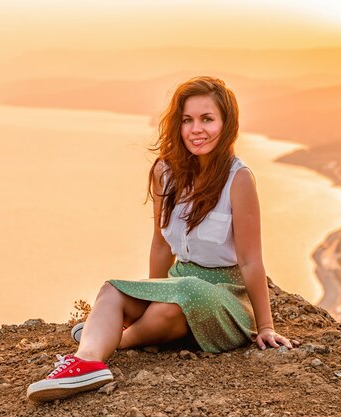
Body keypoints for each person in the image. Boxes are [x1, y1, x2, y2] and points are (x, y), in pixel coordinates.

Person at [26, 76, 300, 402]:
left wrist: (266, 326)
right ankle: (86, 363)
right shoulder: (164, 173)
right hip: (178, 286)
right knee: (113, 289)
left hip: (225, 298)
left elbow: (251, 260)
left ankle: (117, 339)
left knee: (187, 292)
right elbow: (160, 244)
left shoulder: (238, 179)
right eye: (187, 120)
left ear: (226, 125)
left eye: (207, 119)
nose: (196, 129)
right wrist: (155, 296)